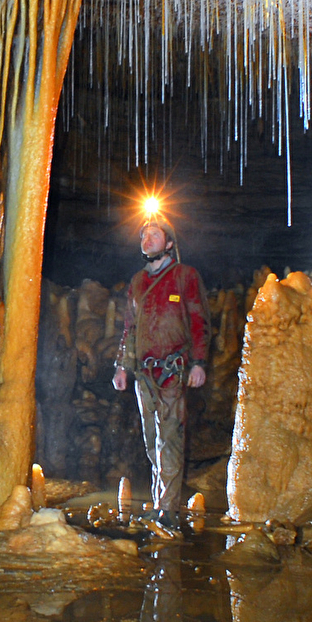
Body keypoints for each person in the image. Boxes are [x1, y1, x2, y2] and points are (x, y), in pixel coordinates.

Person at [112, 215, 209, 530]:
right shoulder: (138, 282)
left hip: (172, 371)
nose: (147, 239)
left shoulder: (185, 276)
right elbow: (130, 327)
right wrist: (122, 367)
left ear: (169, 243)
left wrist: (199, 363)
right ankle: (160, 504)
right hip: (144, 374)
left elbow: (198, 320)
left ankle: (167, 511)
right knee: (152, 440)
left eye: (154, 235)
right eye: (144, 236)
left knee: (169, 440)